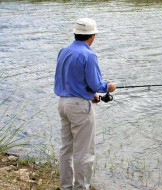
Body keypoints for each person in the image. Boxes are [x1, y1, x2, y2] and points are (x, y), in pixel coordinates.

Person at [54, 18, 116, 190]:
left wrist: (90, 95)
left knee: (66, 149)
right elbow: (97, 84)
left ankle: (65, 186)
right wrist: (109, 87)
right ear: (92, 36)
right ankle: (81, 187)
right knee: (84, 152)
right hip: (79, 107)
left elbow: (69, 79)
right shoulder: (89, 55)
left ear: (76, 33)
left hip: (63, 104)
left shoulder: (63, 51)